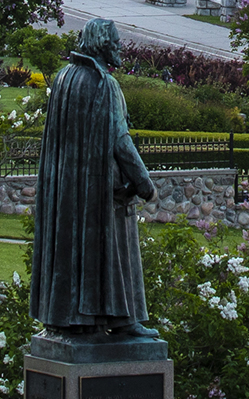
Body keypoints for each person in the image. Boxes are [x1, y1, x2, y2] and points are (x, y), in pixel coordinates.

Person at [27, 18, 157, 339]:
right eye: (115, 44)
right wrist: (144, 183)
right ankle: (124, 320)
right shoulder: (104, 83)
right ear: (102, 46)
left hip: (68, 194)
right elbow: (120, 141)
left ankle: (66, 318)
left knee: (69, 252)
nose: (120, 49)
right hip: (102, 195)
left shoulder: (63, 79)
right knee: (114, 253)